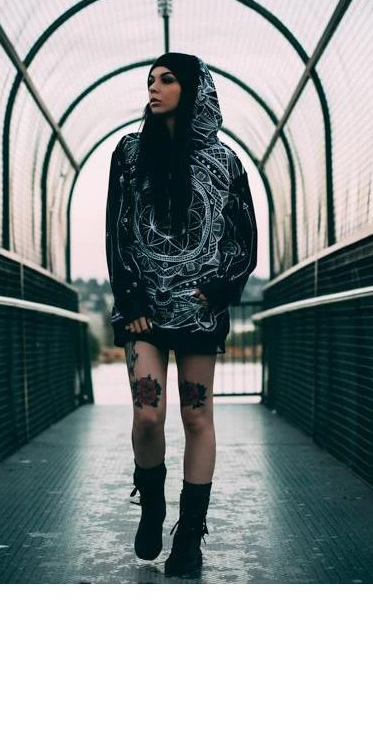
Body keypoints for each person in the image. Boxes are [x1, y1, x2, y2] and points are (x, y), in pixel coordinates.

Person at [105, 53, 258, 577]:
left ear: (193, 89)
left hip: (198, 310)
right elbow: (118, 229)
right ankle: (152, 502)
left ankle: (190, 534)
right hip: (143, 310)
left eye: (167, 80)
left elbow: (243, 239)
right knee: (148, 415)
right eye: (150, 80)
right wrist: (131, 300)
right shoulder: (129, 154)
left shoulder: (225, 162)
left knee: (196, 416)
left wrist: (219, 290)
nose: (154, 88)